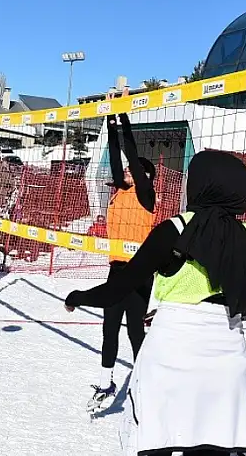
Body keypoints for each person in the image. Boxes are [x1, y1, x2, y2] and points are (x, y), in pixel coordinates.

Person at [65, 150, 246, 456]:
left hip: (173, 348)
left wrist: (76, 297)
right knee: (213, 444)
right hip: (227, 356)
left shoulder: (174, 229)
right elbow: (222, 283)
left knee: (156, 439)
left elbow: (117, 288)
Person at [88, 110, 157, 412]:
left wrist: (125, 123)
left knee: (134, 331)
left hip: (139, 271)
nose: (127, 174)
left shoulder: (145, 194)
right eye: (128, 173)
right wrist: (110, 123)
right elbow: (117, 159)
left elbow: (130, 154)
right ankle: (106, 383)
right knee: (109, 327)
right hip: (116, 269)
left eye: (133, 172)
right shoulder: (120, 191)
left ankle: (146, 383)